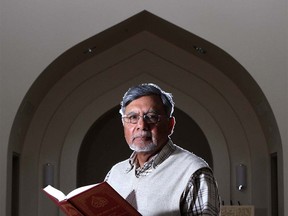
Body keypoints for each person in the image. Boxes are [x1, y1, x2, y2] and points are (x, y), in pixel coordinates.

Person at [105, 83, 220, 215]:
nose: (141, 125)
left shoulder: (193, 172)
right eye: (133, 118)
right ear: (124, 124)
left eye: (152, 117)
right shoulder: (115, 173)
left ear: (170, 125)